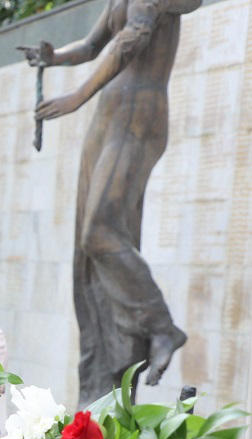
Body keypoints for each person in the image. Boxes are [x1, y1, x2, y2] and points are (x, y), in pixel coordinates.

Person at [19, 0, 196, 405]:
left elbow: (129, 44)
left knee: (99, 231)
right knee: (87, 250)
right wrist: (54, 56)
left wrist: (76, 96)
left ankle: (160, 325)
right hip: (109, 115)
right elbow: (94, 44)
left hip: (138, 113)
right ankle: (102, 381)